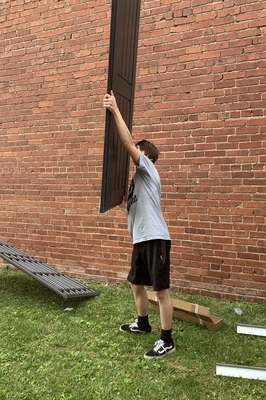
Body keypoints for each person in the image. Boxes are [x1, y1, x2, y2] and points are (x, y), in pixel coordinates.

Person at [103, 91, 175, 359]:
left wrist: (115, 109)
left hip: (155, 237)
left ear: (146, 155)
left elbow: (127, 142)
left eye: (138, 149)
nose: (135, 152)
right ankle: (143, 324)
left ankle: (166, 340)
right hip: (141, 239)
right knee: (135, 283)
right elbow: (132, 207)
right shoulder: (138, 182)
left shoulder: (148, 168)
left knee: (161, 291)